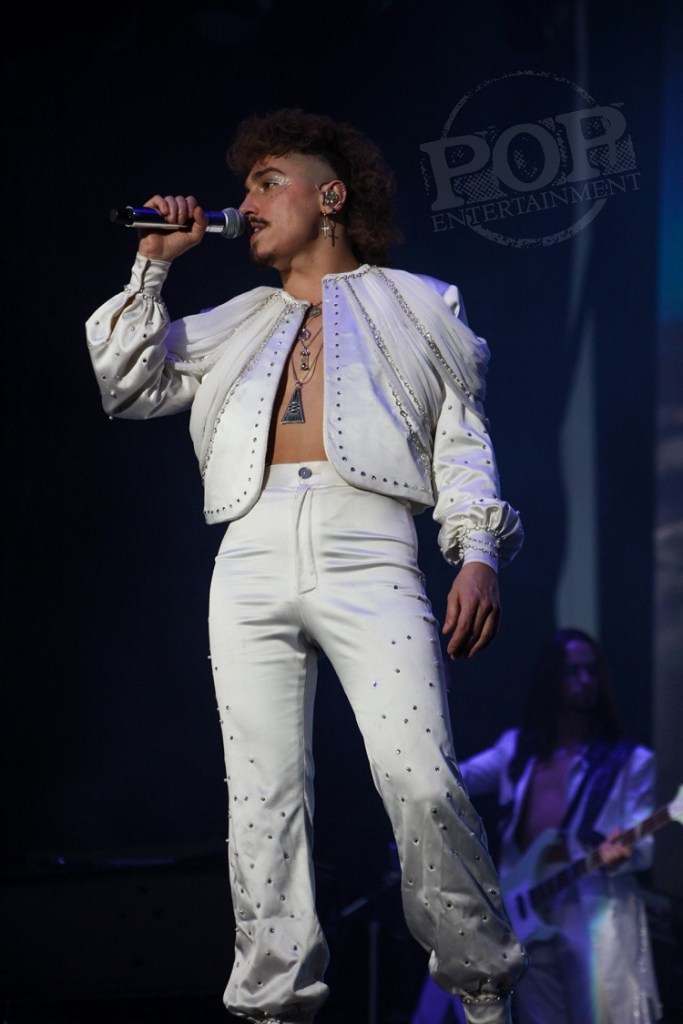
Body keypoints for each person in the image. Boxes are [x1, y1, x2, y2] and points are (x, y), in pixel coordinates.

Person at [85, 108, 528, 1024]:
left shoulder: (421, 302)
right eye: (243, 187)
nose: (245, 203)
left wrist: (477, 551)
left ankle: (482, 992)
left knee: (421, 779)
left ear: (329, 197)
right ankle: (272, 1005)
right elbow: (125, 385)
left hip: (370, 547)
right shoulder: (236, 320)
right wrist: (153, 265)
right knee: (263, 798)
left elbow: (460, 440)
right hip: (248, 553)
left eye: (265, 182)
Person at [457, 627, 662, 1024]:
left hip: (594, 909)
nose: (584, 680)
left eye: (591, 670)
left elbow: (644, 847)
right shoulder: (517, 749)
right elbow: (452, 780)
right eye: (572, 671)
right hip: (523, 910)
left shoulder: (631, 761)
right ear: (550, 678)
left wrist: (625, 853)